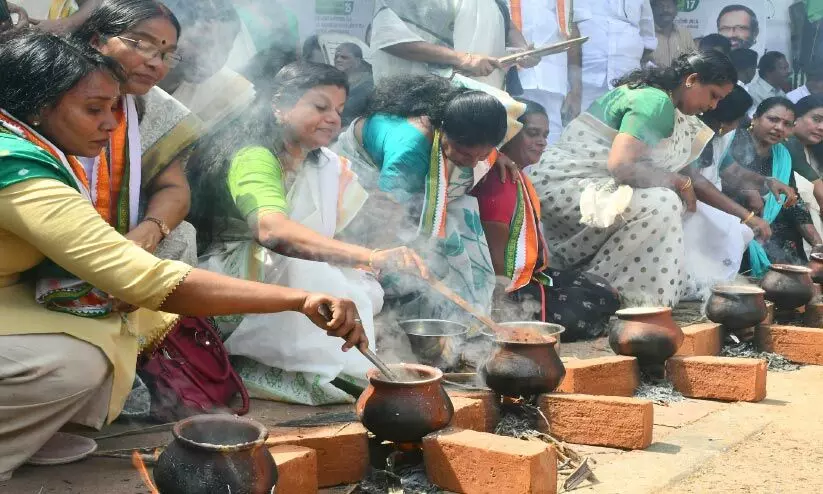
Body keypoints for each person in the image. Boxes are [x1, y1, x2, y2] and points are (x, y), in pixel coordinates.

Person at [0, 30, 366, 480]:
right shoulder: (15, 170)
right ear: (38, 106)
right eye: (94, 110)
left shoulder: (29, 146)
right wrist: (299, 299)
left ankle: (35, 428)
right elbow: (144, 279)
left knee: (122, 320)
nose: (112, 124)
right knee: (78, 360)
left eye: (114, 109)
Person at [187, 62, 426, 405]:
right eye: (320, 106)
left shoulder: (326, 163)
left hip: (285, 266)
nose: (333, 119)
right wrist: (369, 256)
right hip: (238, 275)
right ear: (281, 105)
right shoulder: (255, 156)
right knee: (312, 273)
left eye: (339, 111)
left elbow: (339, 231)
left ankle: (334, 368)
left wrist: (380, 236)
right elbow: (271, 231)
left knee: (356, 284)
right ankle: (283, 370)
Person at [527, 51, 738, 307]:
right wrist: (676, 182)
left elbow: (689, 176)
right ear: (692, 79)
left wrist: (745, 216)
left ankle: (602, 290)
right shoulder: (655, 102)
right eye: (713, 95)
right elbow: (622, 166)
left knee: (670, 201)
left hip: (569, 185)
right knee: (662, 203)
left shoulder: (663, 100)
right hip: (567, 187)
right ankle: (621, 296)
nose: (714, 106)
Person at [333, 74, 510, 322]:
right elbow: (385, 214)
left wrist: (496, 156)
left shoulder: (459, 114)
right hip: (362, 169)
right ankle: (385, 321)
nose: (471, 163)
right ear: (443, 130)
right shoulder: (410, 153)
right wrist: (382, 261)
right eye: (464, 153)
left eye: (482, 156)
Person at [67, 0, 200, 279]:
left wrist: (151, 230)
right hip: (47, 224)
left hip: (121, 241)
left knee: (181, 235)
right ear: (96, 40)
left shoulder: (159, 110)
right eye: (140, 44)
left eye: (166, 55)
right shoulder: (52, 90)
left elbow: (173, 188)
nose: (155, 63)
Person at [472, 98, 620, 340]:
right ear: (510, 134)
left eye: (545, 135)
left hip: (532, 274)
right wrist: (502, 308)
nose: (542, 142)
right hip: (510, 287)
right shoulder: (498, 180)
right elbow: (496, 262)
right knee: (586, 312)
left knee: (605, 292)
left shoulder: (516, 174)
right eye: (532, 134)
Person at [682, 86, 773, 298]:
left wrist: (767, 181)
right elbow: (698, 184)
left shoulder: (721, 135)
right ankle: (701, 288)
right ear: (723, 121)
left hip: (708, 205)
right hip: (690, 204)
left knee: (741, 231)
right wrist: (747, 216)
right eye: (739, 118)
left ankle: (711, 286)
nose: (740, 124)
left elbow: (731, 170)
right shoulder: (693, 133)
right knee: (738, 229)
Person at [728, 98, 822, 273]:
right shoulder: (733, 141)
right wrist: (746, 193)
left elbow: (793, 202)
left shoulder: (783, 156)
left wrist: (817, 243)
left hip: (770, 231)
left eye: (787, 124)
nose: (779, 127)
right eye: (773, 120)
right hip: (733, 222)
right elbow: (714, 182)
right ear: (755, 118)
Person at [368, 0, 537, 89]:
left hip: (482, 107)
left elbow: (506, 25)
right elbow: (389, 38)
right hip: (421, 107)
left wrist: (523, 51)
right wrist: (463, 59)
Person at [157, 0, 256, 131]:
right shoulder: (139, 62)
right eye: (202, 43)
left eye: (224, 49)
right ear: (175, 35)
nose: (213, 58)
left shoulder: (229, 91)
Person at [513, 0, 589, 144]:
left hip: (553, 83)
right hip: (512, 80)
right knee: (510, 145)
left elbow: (573, 36)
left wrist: (576, 90)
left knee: (548, 147)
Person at [577, 0, 659, 112]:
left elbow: (647, 40)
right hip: (587, 80)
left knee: (622, 126)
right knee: (583, 126)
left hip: (627, 83)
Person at [785, 95, 823, 252]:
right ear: (795, 117)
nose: (822, 127)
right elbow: (820, 192)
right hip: (791, 226)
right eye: (816, 119)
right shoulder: (786, 144)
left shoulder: (815, 151)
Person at [335, 42, 375, 127]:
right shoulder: (334, 80)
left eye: (344, 57)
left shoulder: (367, 85)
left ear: (357, 61)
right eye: (336, 57)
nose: (338, 60)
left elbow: (348, 114)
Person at [650, 0, 696, 68]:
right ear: (652, 9)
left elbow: (694, 61)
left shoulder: (685, 34)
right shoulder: (645, 35)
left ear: (676, 10)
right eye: (660, 6)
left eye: (669, 6)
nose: (665, 9)